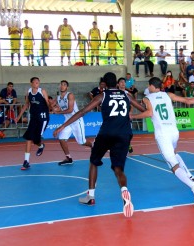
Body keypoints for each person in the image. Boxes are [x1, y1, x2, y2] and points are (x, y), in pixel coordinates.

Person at [53, 72, 145, 218]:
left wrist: (62, 126)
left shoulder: (102, 96)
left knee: (94, 162)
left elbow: (82, 112)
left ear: (104, 84)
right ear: (116, 82)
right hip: (124, 134)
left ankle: (90, 196)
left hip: (106, 134)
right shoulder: (126, 95)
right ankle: (124, 190)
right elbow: (144, 109)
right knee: (118, 168)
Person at [130, 77, 194, 207]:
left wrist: (133, 116)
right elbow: (188, 101)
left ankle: (193, 186)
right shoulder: (168, 94)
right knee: (174, 154)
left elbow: (149, 113)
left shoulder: (147, 98)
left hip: (163, 135)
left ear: (151, 86)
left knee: (173, 165)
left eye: (148, 86)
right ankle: (190, 177)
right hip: (174, 132)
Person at [52, 80, 92, 165]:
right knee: (61, 138)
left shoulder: (70, 95)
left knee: (82, 142)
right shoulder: (58, 98)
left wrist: (58, 112)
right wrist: (54, 108)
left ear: (67, 87)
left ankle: (93, 146)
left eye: (64, 85)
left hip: (76, 120)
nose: (62, 86)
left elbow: (70, 110)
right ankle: (68, 158)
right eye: (61, 85)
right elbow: (51, 104)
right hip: (68, 121)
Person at [15, 77, 50, 170]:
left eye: (38, 82)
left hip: (43, 118)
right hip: (34, 117)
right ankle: (26, 161)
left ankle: (41, 145)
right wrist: (19, 116)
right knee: (28, 138)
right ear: (31, 83)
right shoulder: (29, 92)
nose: (36, 83)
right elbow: (26, 104)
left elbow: (47, 103)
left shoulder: (42, 91)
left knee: (35, 139)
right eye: (34, 82)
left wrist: (52, 107)